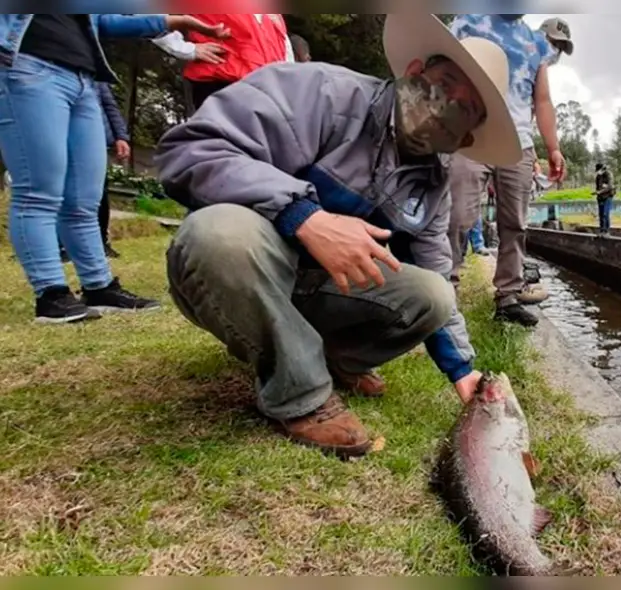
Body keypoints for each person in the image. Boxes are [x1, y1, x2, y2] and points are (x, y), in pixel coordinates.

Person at [154, 14, 520, 459]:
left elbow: (437, 271)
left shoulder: (432, 184)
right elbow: (190, 149)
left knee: (435, 295)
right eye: (445, 84)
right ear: (414, 71)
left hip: (319, 288)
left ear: (465, 139)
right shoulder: (320, 91)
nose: (447, 106)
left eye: (465, 109)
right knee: (220, 236)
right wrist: (305, 217)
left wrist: (462, 369)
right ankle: (302, 395)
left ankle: (331, 359)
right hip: (246, 265)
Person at [0, 14, 227, 324]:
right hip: (28, 69)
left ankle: (99, 287)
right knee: (38, 191)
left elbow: (104, 20)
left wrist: (173, 21)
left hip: (84, 80)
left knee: (84, 199)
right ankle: (51, 293)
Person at [447, 14, 568, 328]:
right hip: (471, 136)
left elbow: (542, 101)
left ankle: (508, 296)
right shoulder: (467, 22)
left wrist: (553, 148)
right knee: (458, 216)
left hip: (518, 144)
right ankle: (446, 293)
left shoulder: (536, 43)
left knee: (515, 223)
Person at [59, 82, 131, 262]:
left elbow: (109, 105)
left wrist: (121, 136)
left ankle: (100, 243)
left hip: (94, 137)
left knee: (98, 192)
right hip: (60, 134)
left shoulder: (95, 75)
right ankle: (60, 245)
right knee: (58, 190)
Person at [166, 13, 296, 113]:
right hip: (222, 83)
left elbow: (282, 42)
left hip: (270, 92)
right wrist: (186, 49)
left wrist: (289, 86)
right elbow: (154, 18)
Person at [594, 162, 616, 236]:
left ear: (603, 169)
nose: (598, 172)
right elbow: (597, 187)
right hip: (600, 197)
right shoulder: (598, 176)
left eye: (599, 170)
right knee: (601, 214)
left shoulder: (609, 174)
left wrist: (600, 192)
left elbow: (610, 186)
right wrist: (597, 193)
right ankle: (601, 231)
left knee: (605, 214)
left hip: (608, 197)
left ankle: (607, 231)